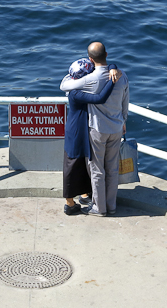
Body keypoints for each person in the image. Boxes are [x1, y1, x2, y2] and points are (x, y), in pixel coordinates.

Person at [60, 42, 129, 216]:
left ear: (90, 59)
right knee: (112, 168)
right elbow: (125, 103)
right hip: (117, 127)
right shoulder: (122, 75)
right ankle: (111, 206)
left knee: (97, 169)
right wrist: (123, 121)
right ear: (106, 53)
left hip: (97, 129)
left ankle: (99, 207)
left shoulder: (88, 79)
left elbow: (65, 86)